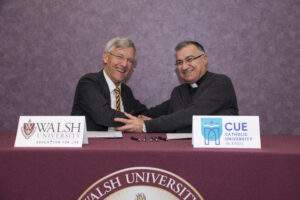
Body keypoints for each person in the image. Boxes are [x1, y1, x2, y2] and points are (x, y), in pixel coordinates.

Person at [115, 40, 239, 133]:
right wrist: (122, 94)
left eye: (189, 59)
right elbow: (151, 113)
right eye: (179, 62)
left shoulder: (220, 83)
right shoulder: (179, 91)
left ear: (204, 59)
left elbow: (191, 115)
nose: (184, 67)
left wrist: (145, 126)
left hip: (215, 156)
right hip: (181, 155)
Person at [71, 37, 147, 131]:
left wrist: (166, 117)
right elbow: (103, 114)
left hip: (121, 144)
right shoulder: (88, 83)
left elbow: (145, 113)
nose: (124, 64)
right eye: (120, 57)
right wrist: (139, 122)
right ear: (106, 58)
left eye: (130, 60)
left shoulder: (125, 91)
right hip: (93, 144)